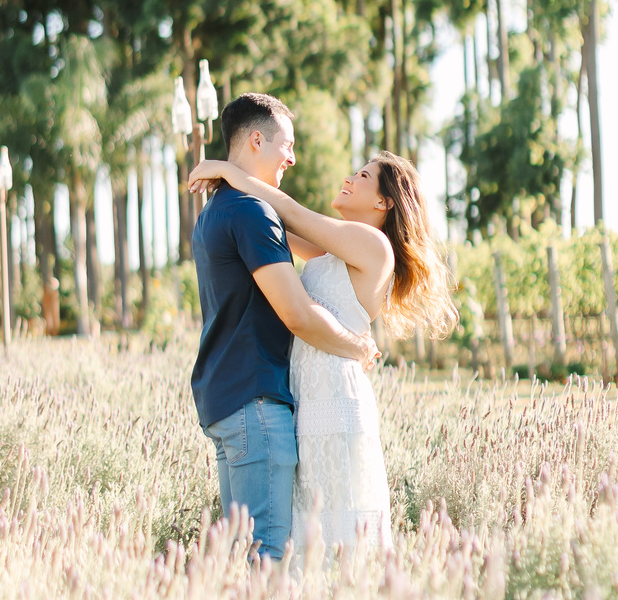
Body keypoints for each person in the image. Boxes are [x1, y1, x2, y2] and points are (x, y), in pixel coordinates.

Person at [191, 141, 454, 554]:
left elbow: (290, 211)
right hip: (309, 391)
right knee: (307, 519)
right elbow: (272, 223)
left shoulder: (373, 245)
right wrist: (231, 188)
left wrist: (228, 169)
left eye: (362, 176)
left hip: (333, 392)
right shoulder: (334, 249)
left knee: (333, 518)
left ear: (383, 202)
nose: (349, 179)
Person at [189, 92, 379, 562]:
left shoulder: (216, 211)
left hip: (228, 399)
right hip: (256, 402)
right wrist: (358, 346)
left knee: (246, 552)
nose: (292, 158)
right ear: (257, 140)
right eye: (287, 145)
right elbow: (297, 313)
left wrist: (229, 173)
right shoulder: (251, 213)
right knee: (268, 555)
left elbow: (308, 234)